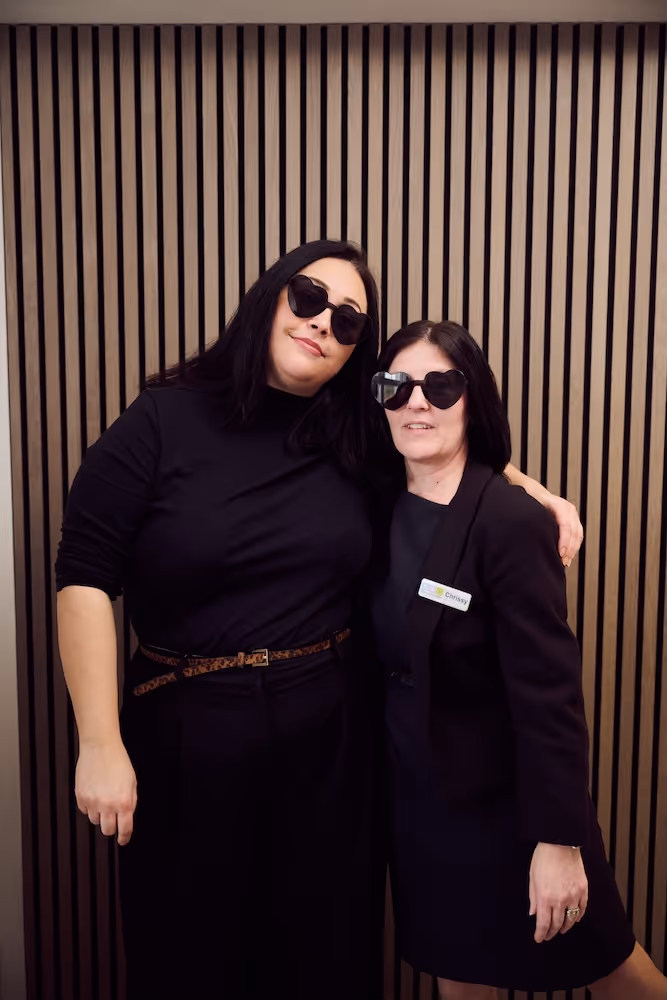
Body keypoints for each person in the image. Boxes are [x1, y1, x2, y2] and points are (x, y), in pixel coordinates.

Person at [55, 242, 582, 1000]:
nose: (320, 325)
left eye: (345, 322)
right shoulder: (161, 420)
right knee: (190, 953)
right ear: (270, 298)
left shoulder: (350, 431)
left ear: (353, 354)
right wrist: (99, 741)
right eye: (307, 298)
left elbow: (439, 445)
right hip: (186, 730)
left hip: (331, 732)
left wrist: (531, 491)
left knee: (327, 956)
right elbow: (83, 577)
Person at [370, 319, 667, 999]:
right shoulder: (374, 501)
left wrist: (557, 840)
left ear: (473, 399)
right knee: (458, 969)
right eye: (397, 386)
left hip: (511, 802)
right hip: (419, 798)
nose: (417, 402)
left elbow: (549, 694)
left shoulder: (508, 522)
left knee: (614, 968)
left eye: (441, 386)